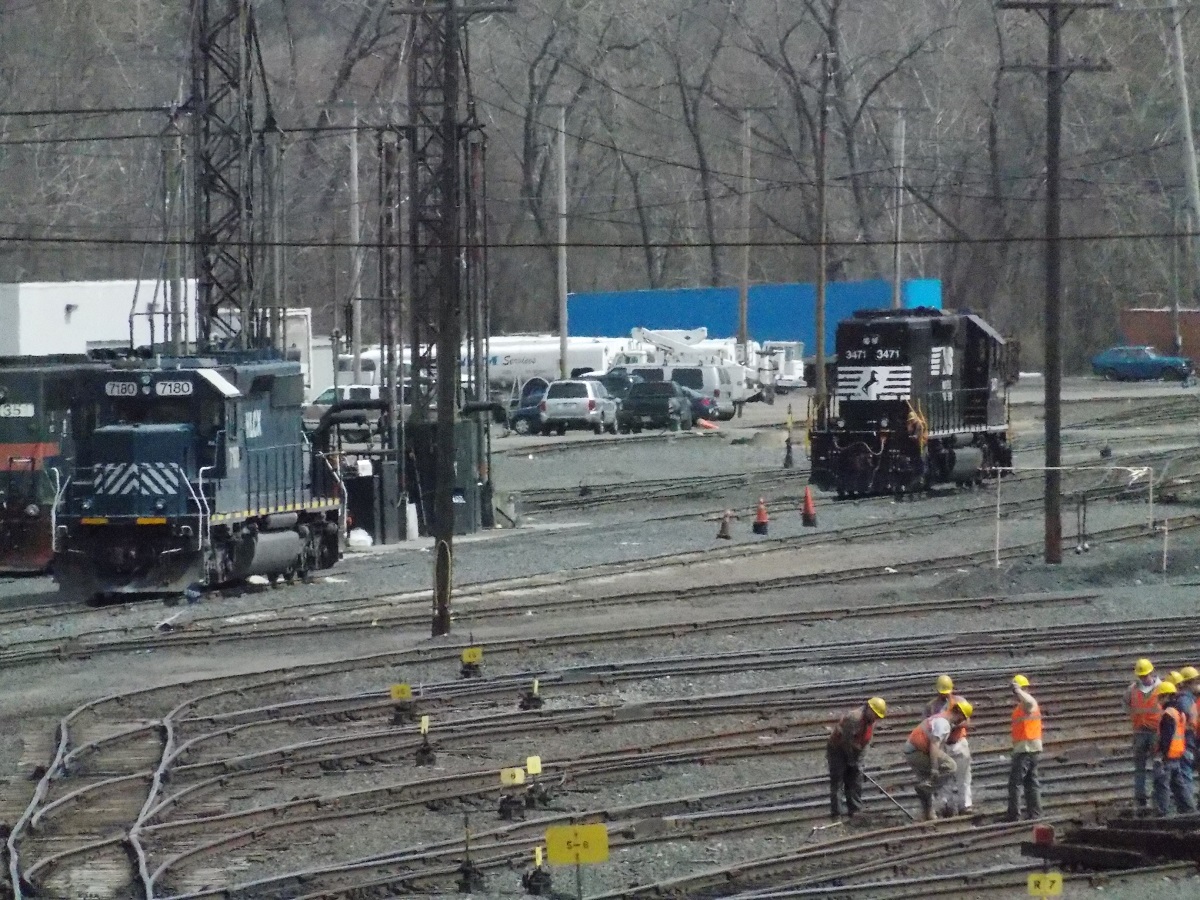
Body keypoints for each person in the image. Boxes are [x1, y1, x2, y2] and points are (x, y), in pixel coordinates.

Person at [904, 698, 973, 821]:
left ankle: (928, 815)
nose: (961, 722)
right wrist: (935, 768)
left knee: (927, 780)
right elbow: (934, 746)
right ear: (959, 714)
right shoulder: (943, 723)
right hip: (917, 752)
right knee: (950, 766)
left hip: (913, 750)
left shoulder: (940, 718)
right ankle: (926, 788)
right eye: (962, 718)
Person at [826, 697, 888, 820]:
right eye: (875, 715)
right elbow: (846, 741)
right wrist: (850, 759)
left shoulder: (871, 720)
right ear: (869, 709)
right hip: (838, 750)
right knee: (838, 781)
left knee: (855, 780)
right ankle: (836, 814)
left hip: (854, 751)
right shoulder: (854, 718)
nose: (876, 718)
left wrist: (858, 761)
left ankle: (854, 811)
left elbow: (865, 743)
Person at [925, 674, 972, 816]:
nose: (945, 695)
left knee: (963, 777)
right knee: (946, 777)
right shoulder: (931, 707)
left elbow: (967, 722)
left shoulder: (960, 702)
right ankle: (947, 806)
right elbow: (926, 725)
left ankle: (965, 806)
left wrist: (952, 725)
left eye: (947, 692)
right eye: (942, 692)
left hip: (959, 742)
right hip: (943, 746)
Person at [1124, 658, 1162, 810]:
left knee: (1158, 766)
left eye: (1145, 675)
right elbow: (1125, 704)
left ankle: (1158, 799)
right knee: (1139, 768)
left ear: (1152, 672)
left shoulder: (1161, 688)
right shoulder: (1132, 689)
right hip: (1139, 731)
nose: (1143, 678)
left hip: (1155, 732)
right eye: (1141, 676)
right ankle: (1141, 800)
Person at [1153, 681, 1196, 816]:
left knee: (1162, 784)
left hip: (1169, 755)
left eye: (1160, 697)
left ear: (1166, 696)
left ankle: (1162, 811)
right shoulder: (1179, 712)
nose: (1159, 700)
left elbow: (1167, 736)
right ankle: (1189, 808)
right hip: (1178, 753)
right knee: (1178, 785)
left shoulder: (1168, 713)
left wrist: (1162, 755)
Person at [1006, 674, 1043, 821]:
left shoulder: (1028, 703)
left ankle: (1013, 814)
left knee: (1015, 783)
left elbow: (1028, 701)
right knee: (1031, 782)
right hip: (1029, 749)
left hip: (1026, 750)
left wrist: (1019, 691)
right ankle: (1035, 813)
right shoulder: (1021, 706)